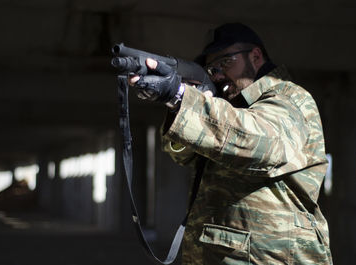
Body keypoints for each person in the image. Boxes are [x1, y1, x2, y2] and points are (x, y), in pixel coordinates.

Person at [127, 23, 333, 265]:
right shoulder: (228, 107)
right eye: (212, 69)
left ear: (255, 56)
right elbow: (180, 155)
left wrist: (181, 96)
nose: (219, 74)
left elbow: (261, 142)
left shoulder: (290, 97)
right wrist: (182, 105)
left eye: (226, 62)